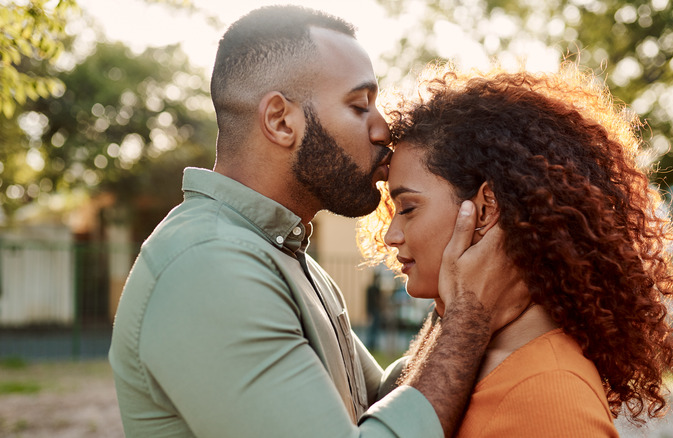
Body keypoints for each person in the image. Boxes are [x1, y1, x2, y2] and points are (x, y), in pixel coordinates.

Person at [109, 6, 523, 438]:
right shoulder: (208, 265)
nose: (384, 130)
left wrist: (466, 285)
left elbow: (377, 403)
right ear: (280, 120)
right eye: (360, 105)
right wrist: (467, 321)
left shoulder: (278, 253)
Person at [358, 63, 673, 437]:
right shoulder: (480, 366)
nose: (391, 235)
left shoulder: (550, 395)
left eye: (407, 209)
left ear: (485, 208)